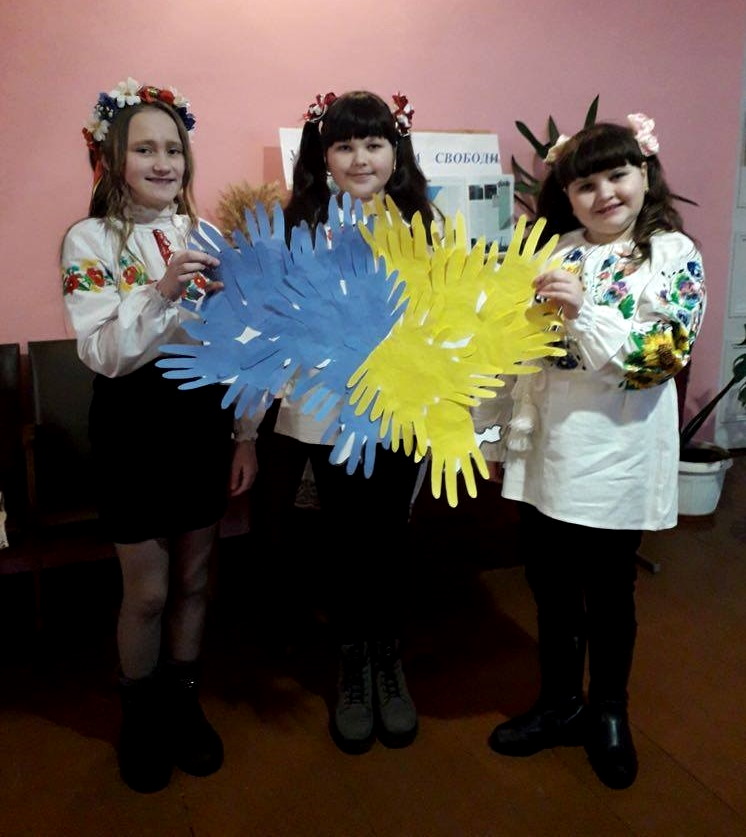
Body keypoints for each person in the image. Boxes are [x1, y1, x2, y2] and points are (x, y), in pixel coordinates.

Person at [481, 115, 706, 789]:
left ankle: (609, 710)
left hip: (619, 452)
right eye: (586, 185)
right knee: (549, 585)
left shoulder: (672, 254)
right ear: (568, 197)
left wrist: (585, 311)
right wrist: (491, 430)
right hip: (548, 449)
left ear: (645, 175)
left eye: (617, 175)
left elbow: (659, 359)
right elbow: (523, 355)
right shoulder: (554, 253)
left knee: (609, 591)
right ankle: (559, 703)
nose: (605, 193)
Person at [61, 78, 257, 793]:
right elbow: (104, 353)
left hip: (203, 422)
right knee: (146, 592)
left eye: (173, 148)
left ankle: (182, 699)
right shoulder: (88, 240)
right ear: (111, 157)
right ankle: (140, 713)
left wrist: (246, 432)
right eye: (144, 148)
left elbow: (241, 341)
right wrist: (164, 289)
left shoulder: (208, 236)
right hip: (132, 428)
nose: (163, 162)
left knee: (196, 579)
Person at [251, 90, 436, 755]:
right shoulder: (300, 225)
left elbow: (439, 316)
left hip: (402, 410)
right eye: (345, 144)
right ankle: (353, 663)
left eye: (374, 143)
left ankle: (389, 659)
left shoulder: (424, 223)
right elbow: (277, 320)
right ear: (323, 155)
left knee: (390, 536)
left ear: (396, 151)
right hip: (331, 411)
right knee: (345, 536)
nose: (361, 158)